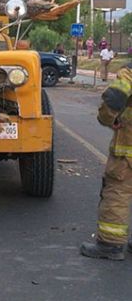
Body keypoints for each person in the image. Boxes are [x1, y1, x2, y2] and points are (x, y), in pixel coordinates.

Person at [81, 64, 132, 260]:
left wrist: (107, 119)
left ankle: (110, 244)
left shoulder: (129, 74)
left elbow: (114, 98)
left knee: (117, 193)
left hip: (127, 154)